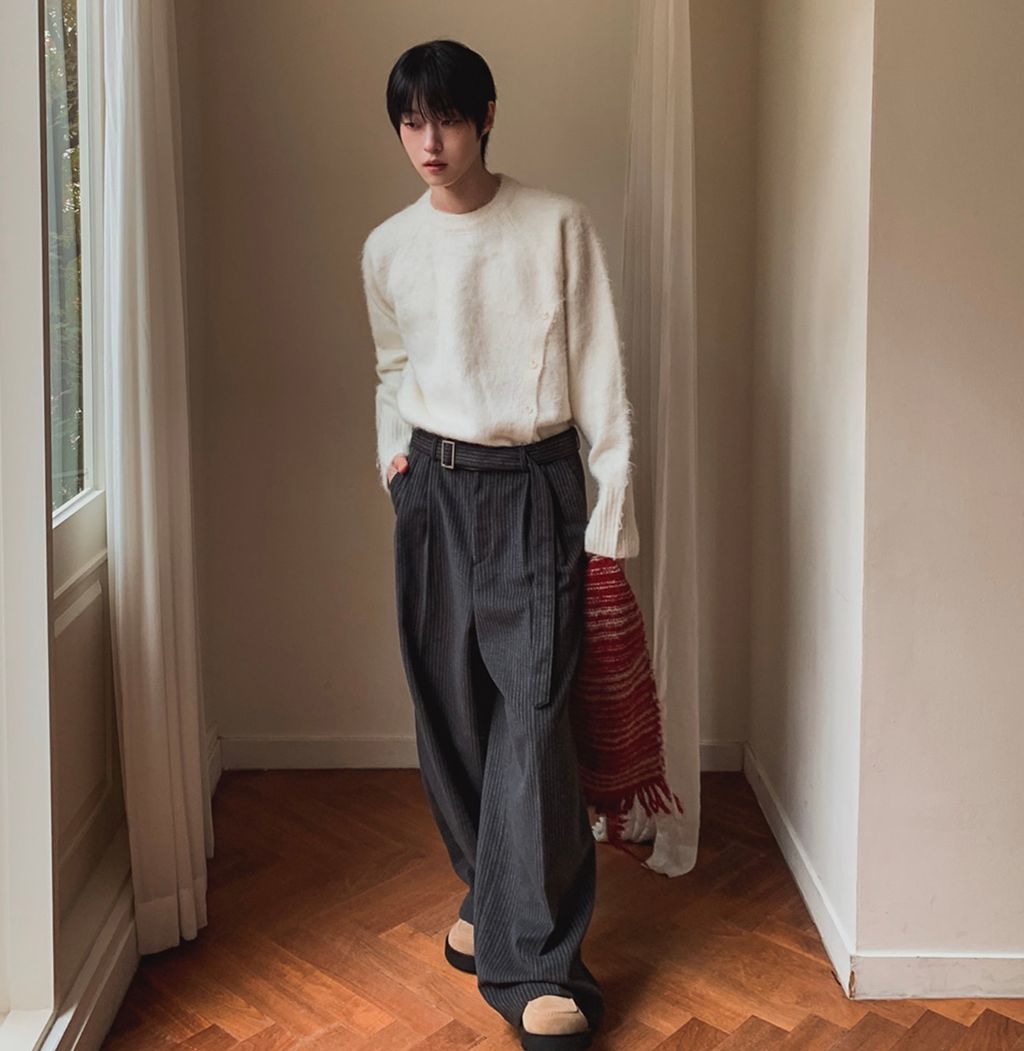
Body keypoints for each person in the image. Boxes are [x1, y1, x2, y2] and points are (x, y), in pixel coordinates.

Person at [360, 38, 639, 1050]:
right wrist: (393, 460)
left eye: (446, 118)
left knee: (532, 718)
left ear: (485, 117)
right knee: (451, 709)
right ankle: (491, 891)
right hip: (432, 490)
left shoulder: (555, 225)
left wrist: (611, 509)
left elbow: (600, 367)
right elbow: (392, 367)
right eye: (411, 123)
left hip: (531, 485)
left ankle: (538, 965)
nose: (429, 141)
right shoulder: (388, 247)